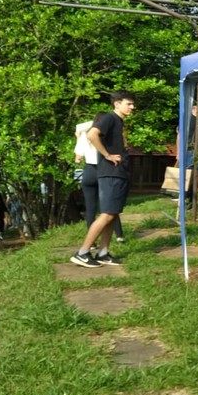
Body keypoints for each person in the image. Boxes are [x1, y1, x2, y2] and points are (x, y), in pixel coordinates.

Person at [70, 91, 136, 268]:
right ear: (117, 104)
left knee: (112, 213)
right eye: (128, 104)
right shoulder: (110, 118)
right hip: (111, 173)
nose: (132, 107)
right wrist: (107, 155)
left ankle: (103, 252)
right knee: (106, 214)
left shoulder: (118, 121)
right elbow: (92, 134)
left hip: (118, 173)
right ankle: (82, 253)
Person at [76, 114, 125, 242]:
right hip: (104, 169)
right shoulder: (107, 136)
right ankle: (119, 235)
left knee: (90, 208)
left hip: (89, 170)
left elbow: (78, 157)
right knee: (110, 206)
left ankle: (91, 241)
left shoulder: (84, 135)